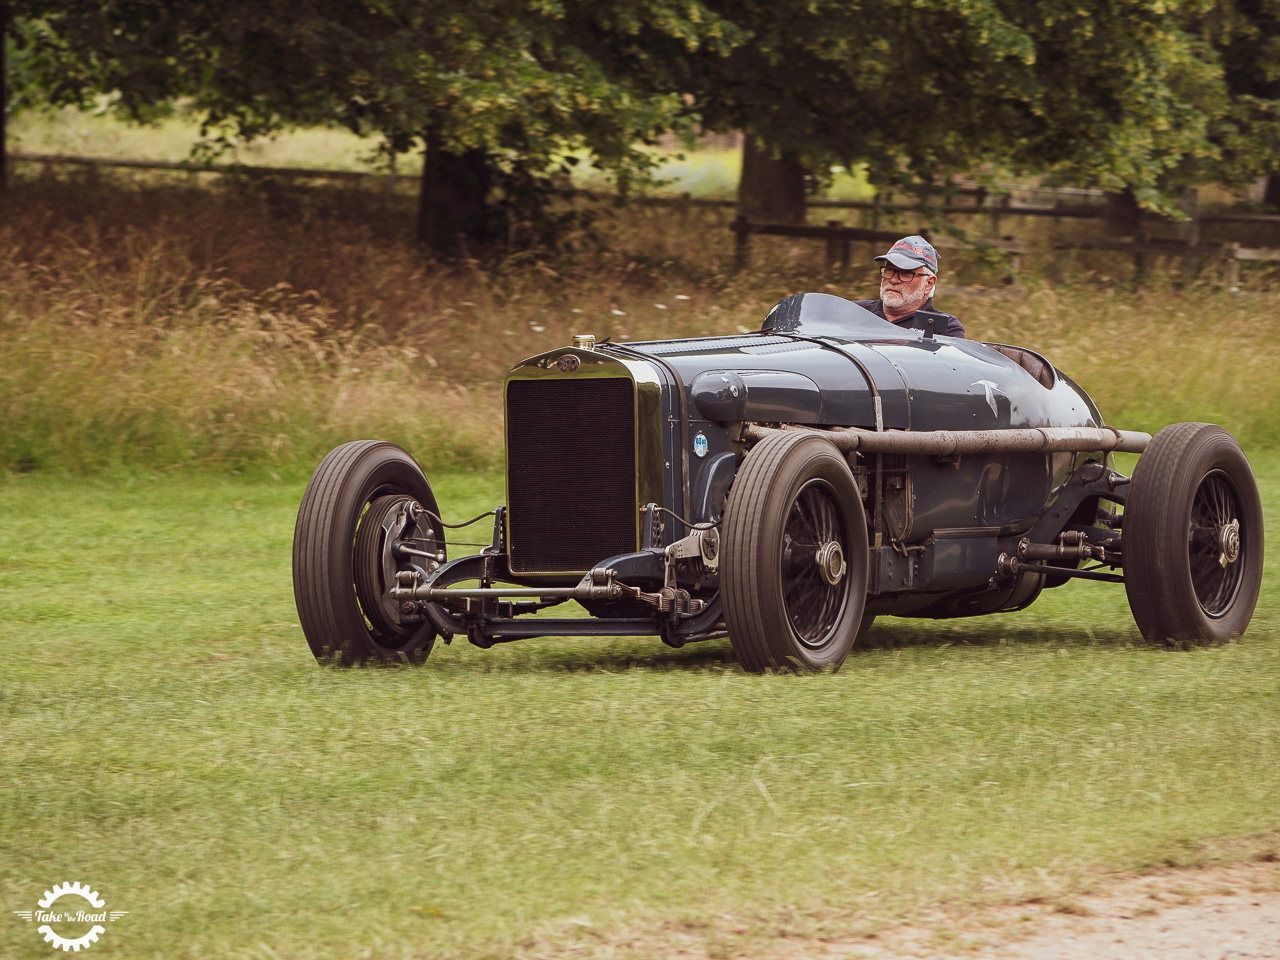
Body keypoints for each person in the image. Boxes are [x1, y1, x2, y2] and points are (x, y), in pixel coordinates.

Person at [854, 235, 965, 338]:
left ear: (929, 284)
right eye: (889, 271)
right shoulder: (855, 312)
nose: (893, 280)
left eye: (905, 273)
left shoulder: (945, 328)